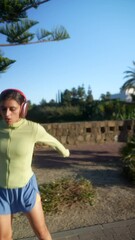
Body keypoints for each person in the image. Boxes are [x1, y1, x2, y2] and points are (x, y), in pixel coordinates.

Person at [0, 88, 70, 240]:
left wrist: (65, 152)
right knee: (4, 237)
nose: (7, 114)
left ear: (23, 109)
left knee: (41, 232)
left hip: (26, 188)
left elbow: (53, 141)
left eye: (12, 109)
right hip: (1, 192)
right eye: (3, 109)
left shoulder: (33, 128)